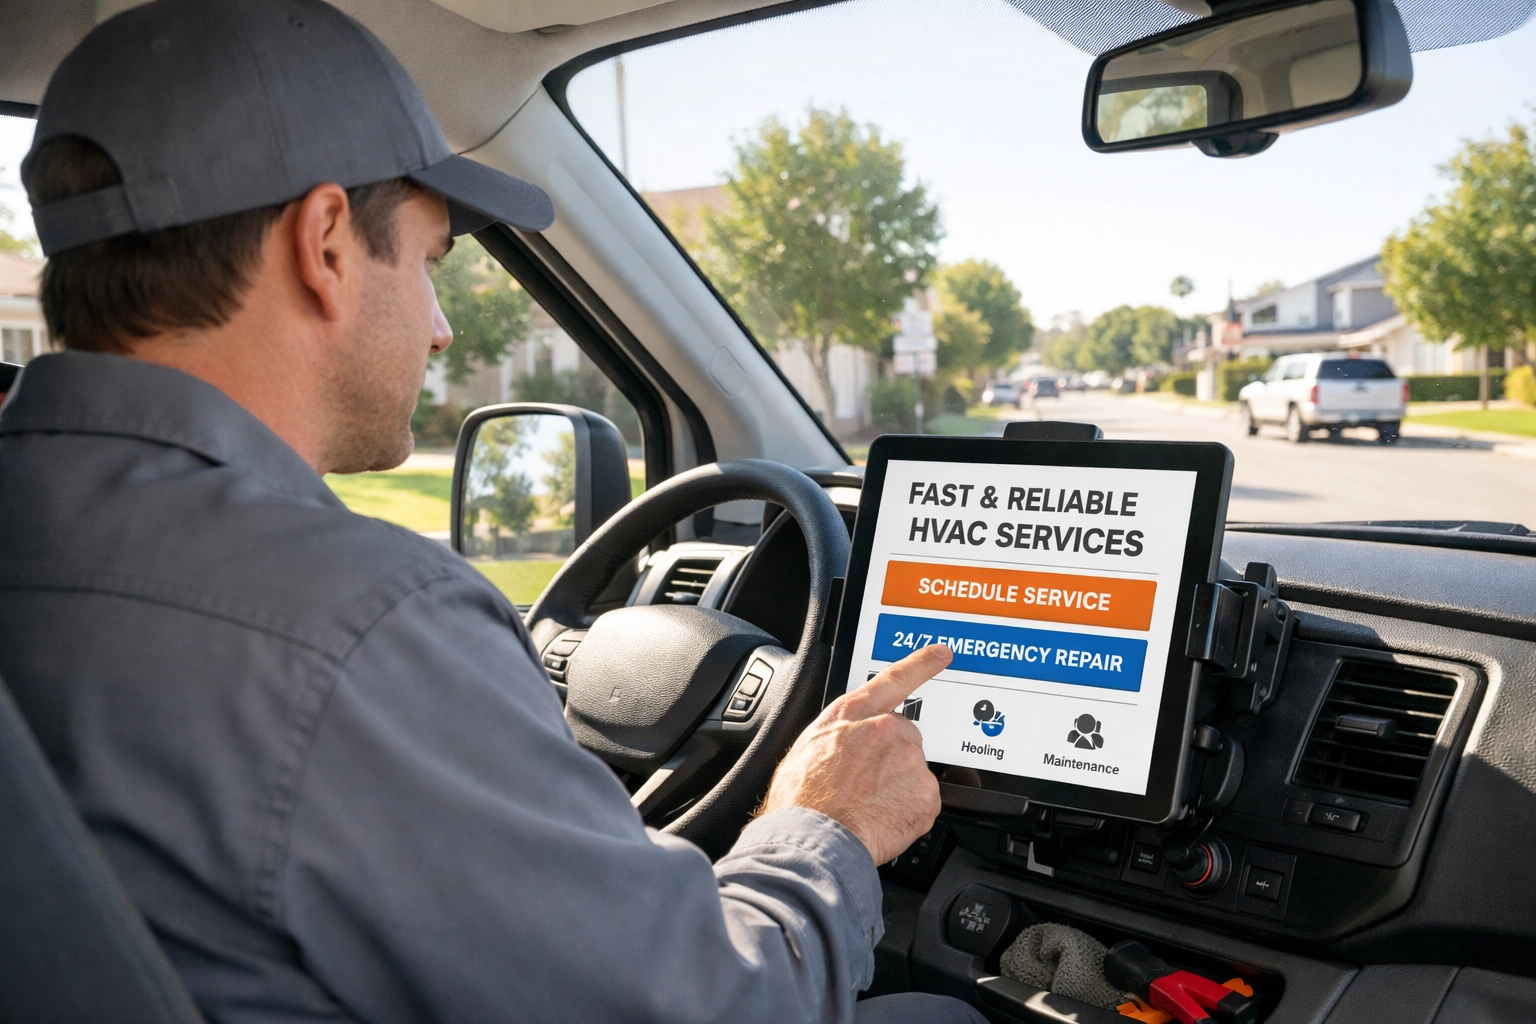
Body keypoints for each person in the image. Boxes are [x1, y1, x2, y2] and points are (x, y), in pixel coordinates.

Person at [0, 2, 985, 1023]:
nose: (439, 329)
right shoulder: (361, 622)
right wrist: (823, 821)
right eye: (428, 263)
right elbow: (718, 1006)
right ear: (326, 241)